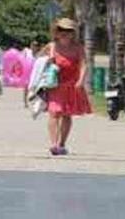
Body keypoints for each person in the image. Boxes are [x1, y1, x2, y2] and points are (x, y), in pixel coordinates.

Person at [43, 18, 92, 156]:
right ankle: (53, 144)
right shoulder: (52, 46)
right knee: (54, 113)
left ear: (73, 33)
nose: (64, 33)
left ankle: (62, 143)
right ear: (56, 32)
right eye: (61, 30)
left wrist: (81, 80)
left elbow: (84, 64)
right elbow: (39, 61)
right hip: (55, 84)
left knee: (66, 114)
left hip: (72, 85)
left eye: (68, 31)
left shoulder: (78, 47)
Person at [21, 40, 42, 108]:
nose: (34, 47)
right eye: (33, 45)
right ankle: (25, 102)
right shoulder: (27, 52)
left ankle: (35, 101)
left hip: (36, 73)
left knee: (35, 87)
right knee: (26, 88)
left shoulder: (39, 54)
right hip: (27, 72)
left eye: (36, 45)